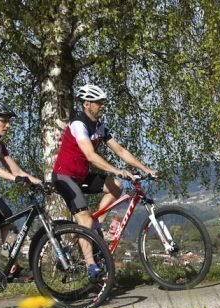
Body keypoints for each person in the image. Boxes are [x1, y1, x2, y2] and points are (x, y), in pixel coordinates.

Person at [52, 84, 156, 247]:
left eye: (103, 102)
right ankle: (91, 266)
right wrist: (117, 170)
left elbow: (120, 151)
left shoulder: (100, 127)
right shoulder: (79, 124)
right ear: (86, 104)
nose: (103, 106)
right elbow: (90, 156)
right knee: (84, 219)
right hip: (64, 177)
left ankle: (95, 226)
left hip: (82, 177)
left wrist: (145, 169)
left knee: (116, 186)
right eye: (98, 102)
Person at [0, 101, 42, 282]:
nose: (8, 125)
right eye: (3, 121)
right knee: (1, 213)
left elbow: (17, 171)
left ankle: (11, 268)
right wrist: (14, 179)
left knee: (7, 217)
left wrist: (40, 182)